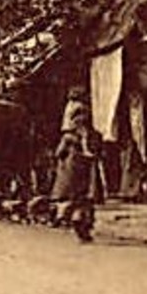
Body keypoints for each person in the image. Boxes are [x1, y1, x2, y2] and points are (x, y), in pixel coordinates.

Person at [51, 101, 101, 243]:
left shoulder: (68, 137)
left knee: (75, 199)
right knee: (86, 201)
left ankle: (72, 218)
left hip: (71, 173)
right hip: (86, 172)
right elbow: (96, 153)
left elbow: (58, 153)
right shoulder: (93, 135)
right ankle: (83, 222)